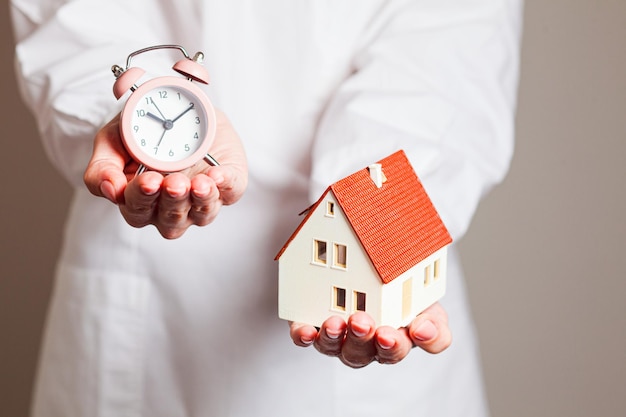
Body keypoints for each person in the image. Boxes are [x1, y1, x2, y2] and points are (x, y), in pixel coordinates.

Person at [11, 1, 523, 416]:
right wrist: (135, 110)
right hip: (147, 278)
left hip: (366, 373)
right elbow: (74, 14)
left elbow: (446, 47)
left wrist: (375, 214)